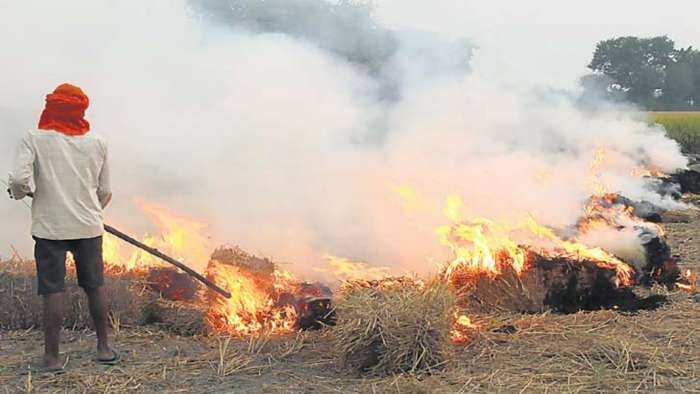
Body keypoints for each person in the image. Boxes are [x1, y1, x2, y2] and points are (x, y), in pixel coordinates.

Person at [7, 83, 119, 373]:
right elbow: (105, 192)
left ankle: (52, 358)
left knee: (53, 290)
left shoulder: (33, 138)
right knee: (94, 286)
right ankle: (104, 349)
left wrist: (17, 193)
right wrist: (88, 212)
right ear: (80, 110)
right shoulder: (98, 142)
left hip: (49, 229)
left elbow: (19, 182)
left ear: (50, 108)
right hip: (88, 227)